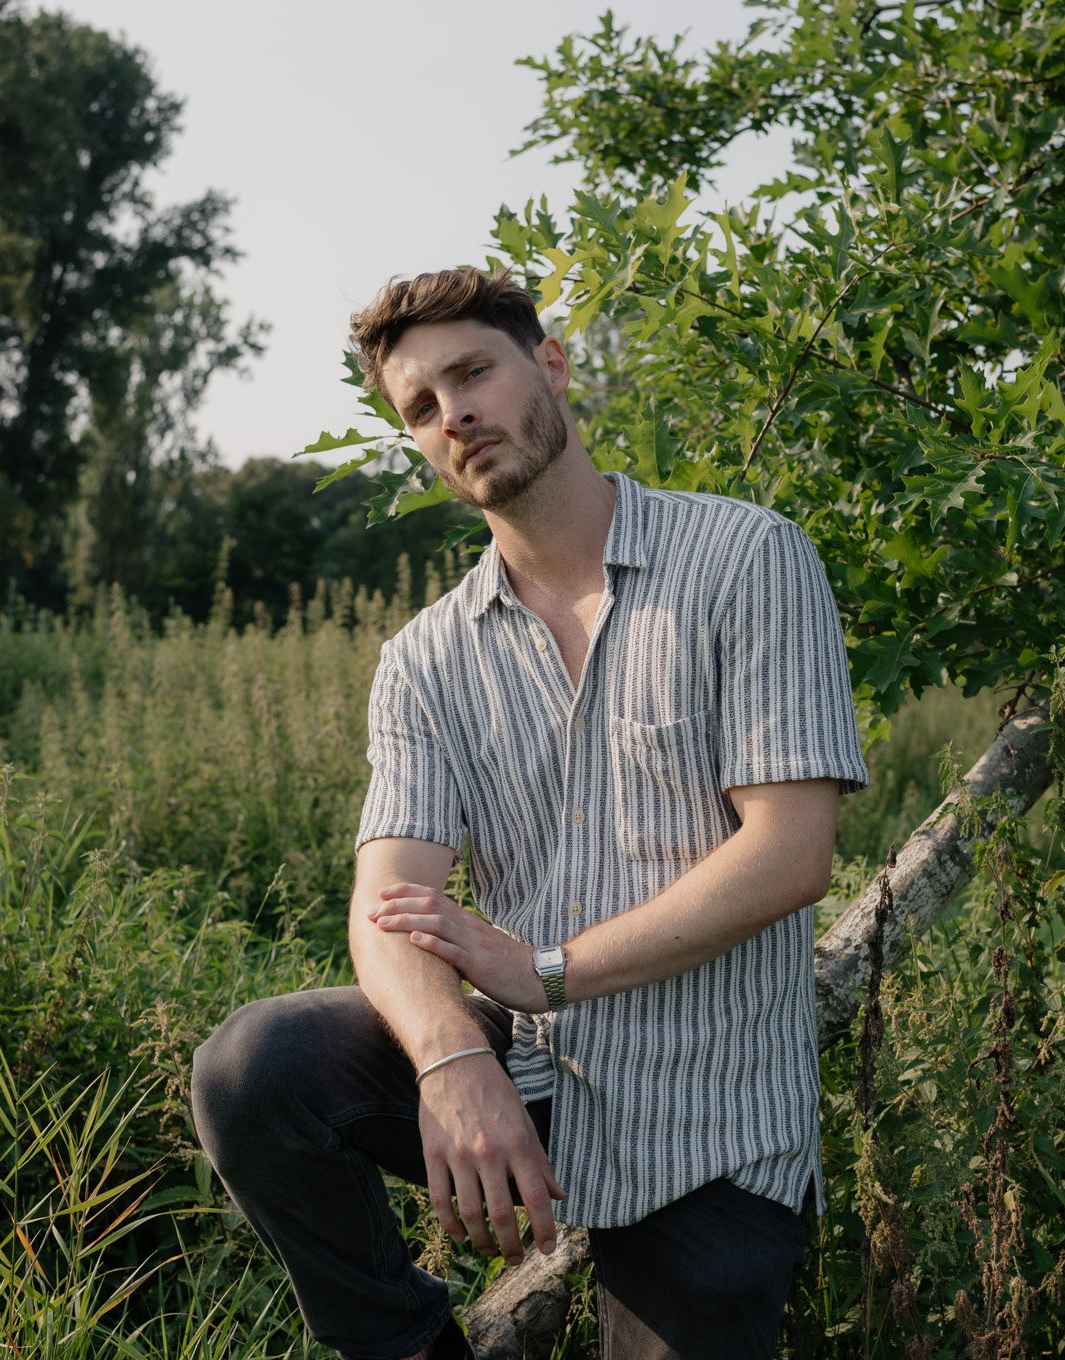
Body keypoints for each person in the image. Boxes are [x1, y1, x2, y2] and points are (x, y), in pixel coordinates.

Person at [190, 267, 868, 1360]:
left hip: (711, 1119)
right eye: (420, 406)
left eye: (472, 373)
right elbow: (387, 904)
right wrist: (453, 1054)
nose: (452, 413)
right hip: (536, 1069)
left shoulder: (745, 558)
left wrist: (542, 969)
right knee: (252, 1067)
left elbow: (790, 854)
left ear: (548, 367)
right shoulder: (423, 658)